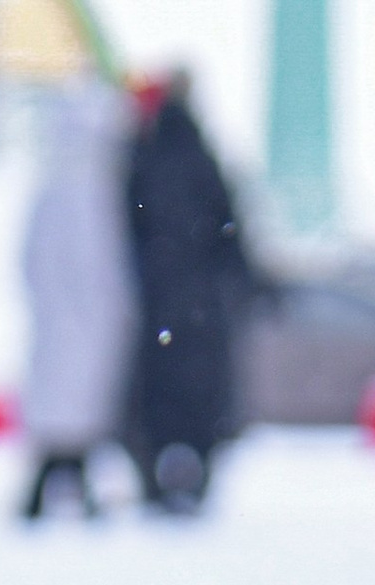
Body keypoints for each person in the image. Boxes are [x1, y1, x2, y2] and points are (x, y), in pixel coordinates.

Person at [124, 70, 252, 516]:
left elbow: (129, 228)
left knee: (155, 402)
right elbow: (229, 230)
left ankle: (155, 486)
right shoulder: (203, 157)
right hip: (202, 307)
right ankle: (198, 482)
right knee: (202, 402)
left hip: (156, 303)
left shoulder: (142, 156)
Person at [17, 74, 137, 520]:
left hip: (59, 327)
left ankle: (54, 490)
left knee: (62, 409)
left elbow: (29, 260)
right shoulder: (93, 192)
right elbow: (104, 268)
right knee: (77, 407)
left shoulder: (54, 186)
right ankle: (65, 490)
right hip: (82, 323)